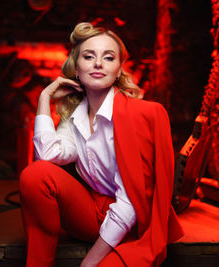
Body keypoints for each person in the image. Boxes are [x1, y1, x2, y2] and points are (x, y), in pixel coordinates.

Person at [19, 22, 183, 267]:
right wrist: (45, 98)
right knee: (34, 175)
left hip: (133, 220)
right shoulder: (75, 117)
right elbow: (48, 156)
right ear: (77, 69)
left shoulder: (138, 116)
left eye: (108, 57)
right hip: (91, 212)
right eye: (88, 56)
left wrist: (89, 262)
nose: (98, 63)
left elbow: (129, 204)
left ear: (118, 70)